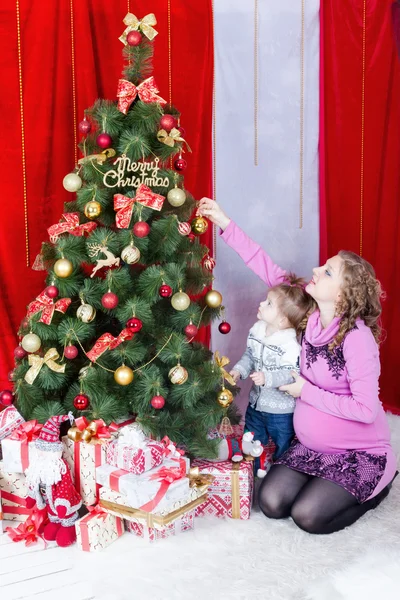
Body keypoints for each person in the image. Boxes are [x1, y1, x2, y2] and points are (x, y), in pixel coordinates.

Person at [197, 198, 397, 534]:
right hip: (310, 449)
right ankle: (319, 483)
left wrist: (307, 392)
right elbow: (267, 268)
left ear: (343, 294)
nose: (316, 270)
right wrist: (224, 222)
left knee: (308, 517)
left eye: (327, 271)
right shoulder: (309, 316)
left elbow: (365, 409)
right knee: (272, 504)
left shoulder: (357, 339)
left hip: (356, 453)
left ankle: (381, 481)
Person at [230, 276, 315, 477]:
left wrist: (268, 378)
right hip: (256, 404)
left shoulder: (289, 346)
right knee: (252, 440)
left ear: (282, 320)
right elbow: (249, 355)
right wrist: (239, 370)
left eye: (268, 303)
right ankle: (254, 473)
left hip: (280, 411)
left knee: (283, 444)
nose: (261, 303)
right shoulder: (257, 331)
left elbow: (291, 374)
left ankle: (282, 475)